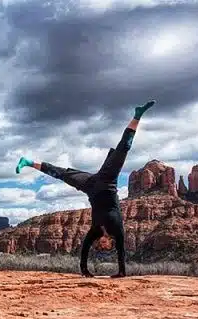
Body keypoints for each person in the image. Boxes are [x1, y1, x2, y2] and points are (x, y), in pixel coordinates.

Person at [15, 101, 156, 278]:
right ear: (110, 243)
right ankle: (137, 115)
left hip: (90, 186)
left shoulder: (95, 232)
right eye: (105, 246)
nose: (102, 245)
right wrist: (121, 272)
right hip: (107, 182)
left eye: (101, 247)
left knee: (62, 174)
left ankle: (28, 162)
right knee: (123, 149)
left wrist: (85, 271)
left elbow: (85, 248)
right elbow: (122, 252)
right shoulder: (118, 231)